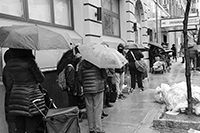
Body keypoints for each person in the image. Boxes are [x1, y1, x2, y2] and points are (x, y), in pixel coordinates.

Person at [3, 48, 45, 133]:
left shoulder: (8, 65)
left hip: (16, 100)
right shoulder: (30, 62)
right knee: (32, 128)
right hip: (32, 100)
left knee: (20, 129)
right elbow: (40, 79)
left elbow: (9, 85)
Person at [78, 59, 107, 133]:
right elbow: (104, 75)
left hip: (87, 89)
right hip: (98, 89)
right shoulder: (98, 63)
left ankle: (91, 129)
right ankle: (98, 129)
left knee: (89, 109)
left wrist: (84, 85)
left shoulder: (82, 64)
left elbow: (79, 78)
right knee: (97, 109)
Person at [2, 49, 16, 133]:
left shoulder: (6, 69)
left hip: (11, 101)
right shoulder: (26, 66)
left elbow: (8, 85)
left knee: (12, 123)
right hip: (22, 100)